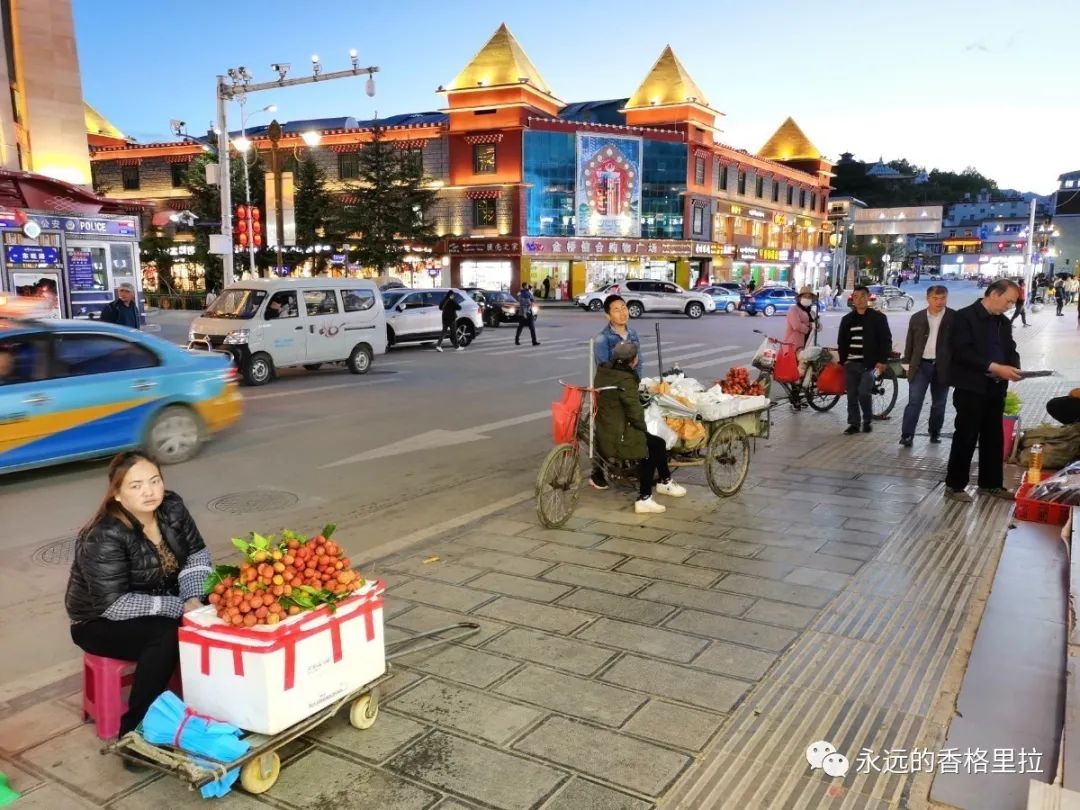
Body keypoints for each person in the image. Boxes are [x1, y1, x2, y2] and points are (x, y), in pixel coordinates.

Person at [65, 452, 211, 741]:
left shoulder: (172, 507)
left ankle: (212, 706)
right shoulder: (104, 535)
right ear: (117, 494)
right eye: (136, 485)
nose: (149, 491)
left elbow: (197, 554)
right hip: (99, 620)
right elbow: (115, 604)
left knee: (222, 604)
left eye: (154, 480)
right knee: (167, 635)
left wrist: (193, 596)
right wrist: (180, 606)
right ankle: (135, 733)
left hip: (159, 600)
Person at [944, 279, 1022, 503]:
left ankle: (991, 484)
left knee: (993, 437)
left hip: (996, 387)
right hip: (971, 386)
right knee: (966, 435)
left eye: (1012, 303)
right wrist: (995, 367)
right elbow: (962, 352)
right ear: (994, 294)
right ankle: (955, 485)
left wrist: (1014, 368)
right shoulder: (964, 317)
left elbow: (1010, 349)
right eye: (1008, 301)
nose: (1009, 306)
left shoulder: (1003, 323)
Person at [595, 341, 686, 514]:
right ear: (634, 360)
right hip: (619, 434)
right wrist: (643, 429)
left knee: (654, 443)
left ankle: (665, 481)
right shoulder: (626, 380)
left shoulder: (604, 372)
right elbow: (634, 412)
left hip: (604, 429)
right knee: (654, 445)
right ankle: (644, 497)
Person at [590, 295, 645, 490]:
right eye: (616, 309)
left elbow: (639, 364)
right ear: (607, 315)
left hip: (629, 386)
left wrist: (636, 384)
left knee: (632, 423)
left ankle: (630, 462)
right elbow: (605, 369)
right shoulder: (602, 339)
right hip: (610, 390)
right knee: (606, 429)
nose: (622, 312)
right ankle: (597, 472)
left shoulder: (633, 334)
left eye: (624, 307)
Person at [899, 285, 954, 447]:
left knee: (939, 402)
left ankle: (935, 431)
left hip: (942, 367)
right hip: (920, 365)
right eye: (935, 298)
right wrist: (906, 362)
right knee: (914, 401)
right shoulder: (917, 317)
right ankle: (907, 435)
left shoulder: (954, 317)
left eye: (943, 298)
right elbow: (910, 341)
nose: (939, 302)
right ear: (928, 298)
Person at [837, 285, 893, 435]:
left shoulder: (878, 318)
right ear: (852, 299)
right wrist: (844, 361)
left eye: (863, 296)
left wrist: (882, 362)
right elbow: (841, 342)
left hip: (872, 366)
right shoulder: (847, 319)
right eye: (856, 297)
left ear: (869, 297)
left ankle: (867, 420)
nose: (860, 300)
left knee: (864, 392)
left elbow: (886, 341)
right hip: (851, 364)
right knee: (851, 395)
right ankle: (854, 423)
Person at [782, 286, 820, 408]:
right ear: (799, 298)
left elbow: (819, 326)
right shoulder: (793, 310)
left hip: (807, 344)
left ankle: (798, 397)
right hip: (794, 344)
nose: (807, 299)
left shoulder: (812, 312)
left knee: (803, 371)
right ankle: (795, 398)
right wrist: (809, 326)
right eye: (805, 296)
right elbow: (796, 326)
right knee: (795, 372)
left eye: (809, 297)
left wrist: (817, 325)